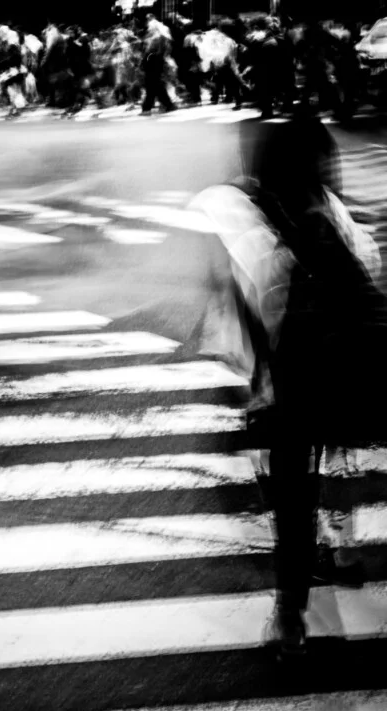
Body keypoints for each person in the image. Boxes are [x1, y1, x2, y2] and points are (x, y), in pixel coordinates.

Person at [191, 117, 387, 660]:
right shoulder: (333, 211)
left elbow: (253, 309)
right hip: (343, 377)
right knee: (338, 455)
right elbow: (368, 279)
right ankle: (344, 551)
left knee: (292, 501)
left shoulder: (246, 217)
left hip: (293, 386)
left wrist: (259, 386)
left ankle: (291, 622)